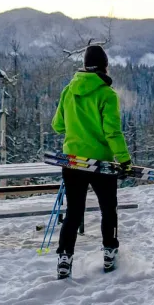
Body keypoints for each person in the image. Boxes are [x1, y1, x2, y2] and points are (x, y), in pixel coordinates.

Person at [51, 44, 132, 279]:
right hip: (101, 164)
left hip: (73, 161)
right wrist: (125, 160)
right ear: (105, 66)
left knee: (74, 211)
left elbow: (57, 125)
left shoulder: (69, 90)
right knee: (108, 209)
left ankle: (64, 258)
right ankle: (109, 252)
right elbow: (112, 133)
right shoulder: (107, 94)